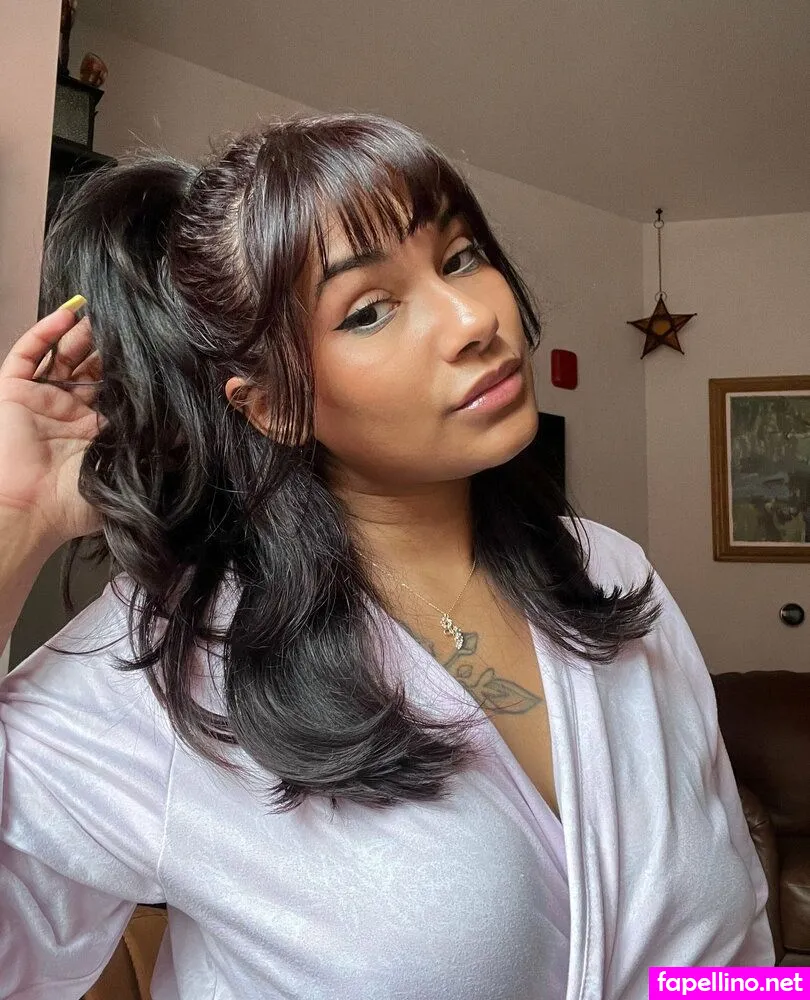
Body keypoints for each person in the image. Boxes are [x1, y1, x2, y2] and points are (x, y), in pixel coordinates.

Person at [0, 113, 773, 1000]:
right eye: (368, 310)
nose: (474, 319)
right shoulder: (174, 663)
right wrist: (12, 520)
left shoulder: (611, 572)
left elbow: (730, 958)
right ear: (272, 405)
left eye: (460, 257)